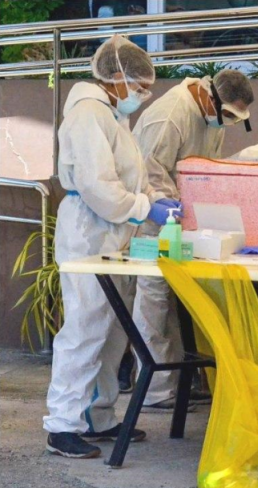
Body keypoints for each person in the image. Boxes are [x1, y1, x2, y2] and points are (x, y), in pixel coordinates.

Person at [44, 35, 182, 459]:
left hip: (110, 231)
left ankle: (98, 416)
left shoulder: (109, 115)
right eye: (139, 85)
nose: (143, 93)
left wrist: (151, 201)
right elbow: (98, 186)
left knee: (112, 330)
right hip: (89, 229)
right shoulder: (87, 115)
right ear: (116, 78)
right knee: (85, 329)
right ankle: (63, 425)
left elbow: (125, 177)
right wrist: (145, 208)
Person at [131, 70, 254, 412]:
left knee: (178, 300)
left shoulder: (209, 118)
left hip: (187, 220)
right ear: (207, 95)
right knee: (153, 298)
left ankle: (179, 381)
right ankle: (155, 388)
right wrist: (162, 206)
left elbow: (204, 169)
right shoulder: (170, 116)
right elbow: (146, 172)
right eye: (227, 114)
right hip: (156, 217)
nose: (227, 122)